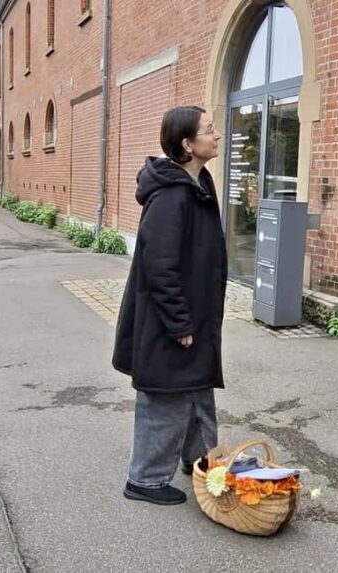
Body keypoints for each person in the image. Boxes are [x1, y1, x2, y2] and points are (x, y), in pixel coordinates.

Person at [113, 106, 227, 505]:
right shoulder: (170, 196)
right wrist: (180, 323)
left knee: (197, 390)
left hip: (195, 313)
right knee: (165, 397)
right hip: (170, 320)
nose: (217, 135)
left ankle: (200, 460)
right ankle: (144, 479)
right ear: (187, 144)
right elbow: (159, 267)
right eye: (209, 130)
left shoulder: (199, 182)